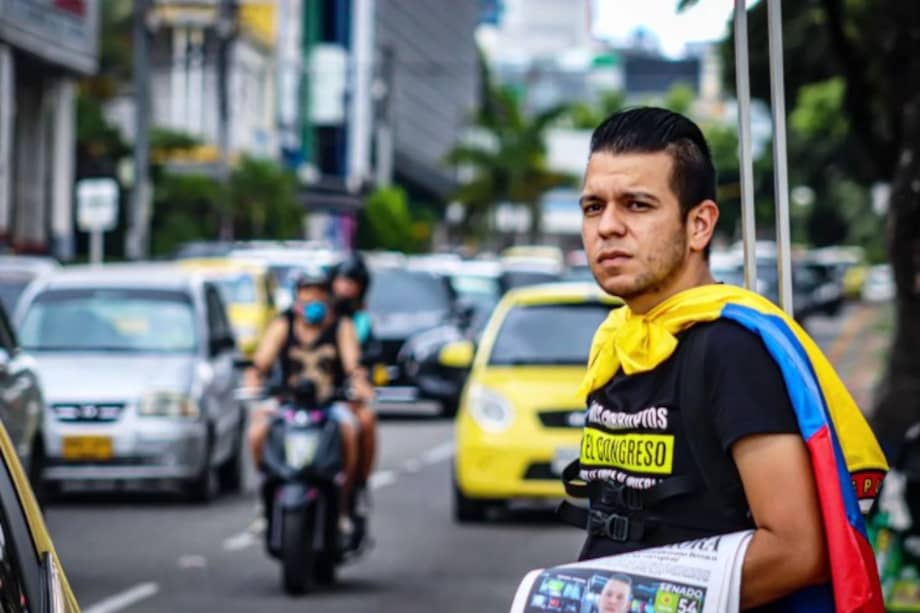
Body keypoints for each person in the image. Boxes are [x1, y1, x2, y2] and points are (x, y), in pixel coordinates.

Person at [563, 107, 888, 612]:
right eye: (593, 206)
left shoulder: (731, 350)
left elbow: (796, 552)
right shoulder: (618, 341)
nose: (607, 227)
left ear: (699, 225)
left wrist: (645, 604)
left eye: (637, 205)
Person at [244, 270, 372, 543]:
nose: (313, 301)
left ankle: (345, 504)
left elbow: (354, 366)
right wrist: (254, 382)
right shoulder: (283, 324)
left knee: (350, 431)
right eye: (307, 296)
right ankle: (265, 498)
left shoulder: (341, 326)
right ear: (297, 299)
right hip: (288, 405)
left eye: (319, 296)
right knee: (257, 431)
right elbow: (260, 364)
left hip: (329, 405)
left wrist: (360, 384)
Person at [330, 253, 379, 547]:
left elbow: (363, 364)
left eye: (353, 282)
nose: (346, 287)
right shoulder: (317, 318)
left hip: (346, 397)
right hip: (312, 400)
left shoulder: (359, 322)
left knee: (363, 422)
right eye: (342, 280)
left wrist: (360, 383)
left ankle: (357, 486)